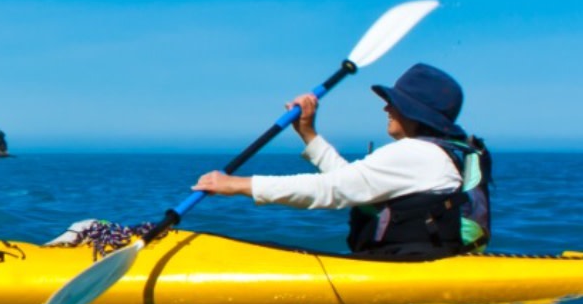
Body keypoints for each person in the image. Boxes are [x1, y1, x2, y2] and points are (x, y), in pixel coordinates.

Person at [191, 62, 493, 259]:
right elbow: (356, 183)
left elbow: (333, 189)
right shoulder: (439, 154)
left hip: (407, 270)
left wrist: (239, 185)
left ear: (417, 113)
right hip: (412, 262)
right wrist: (309, 134)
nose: (386, 108)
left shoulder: (417, 154)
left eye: (395, 103)